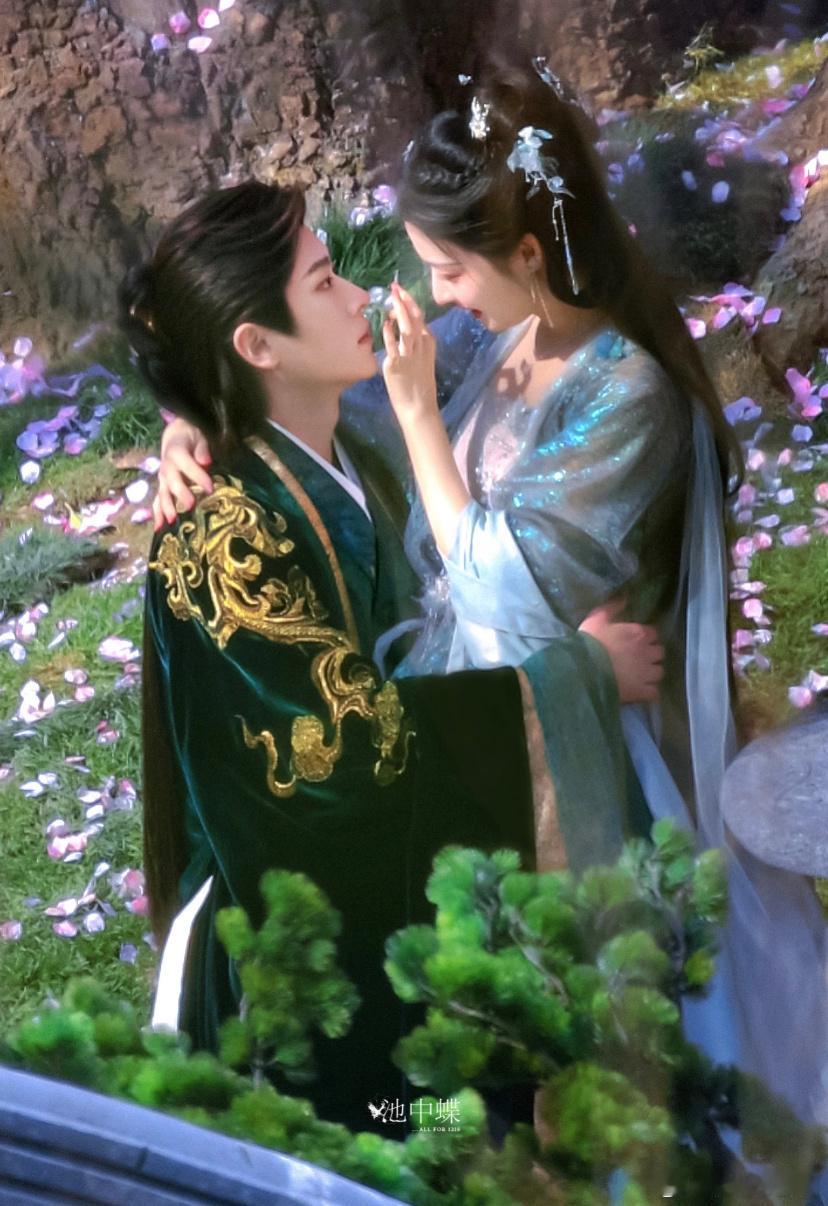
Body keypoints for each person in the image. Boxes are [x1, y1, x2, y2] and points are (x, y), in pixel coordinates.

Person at [156, 64, 828, 1133]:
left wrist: (421, 420)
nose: (430, 300)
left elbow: (504, 586)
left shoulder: (629, 392)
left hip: (587, 753)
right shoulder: (493, 337)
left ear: (527, 254)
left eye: (447, 270)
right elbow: (325, 411)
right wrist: (199, 414)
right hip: (487, 729)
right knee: (478, 1056)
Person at [123, 180, 663, 1135]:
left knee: (467, 1129)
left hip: (384, 906)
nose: (359, 296)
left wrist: (192, 408)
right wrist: (575, 676)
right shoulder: (219, 542)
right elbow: (343, 758)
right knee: (405, 1136)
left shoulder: (338, 448)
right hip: (297, 969)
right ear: (258, 346)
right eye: (324, 282)